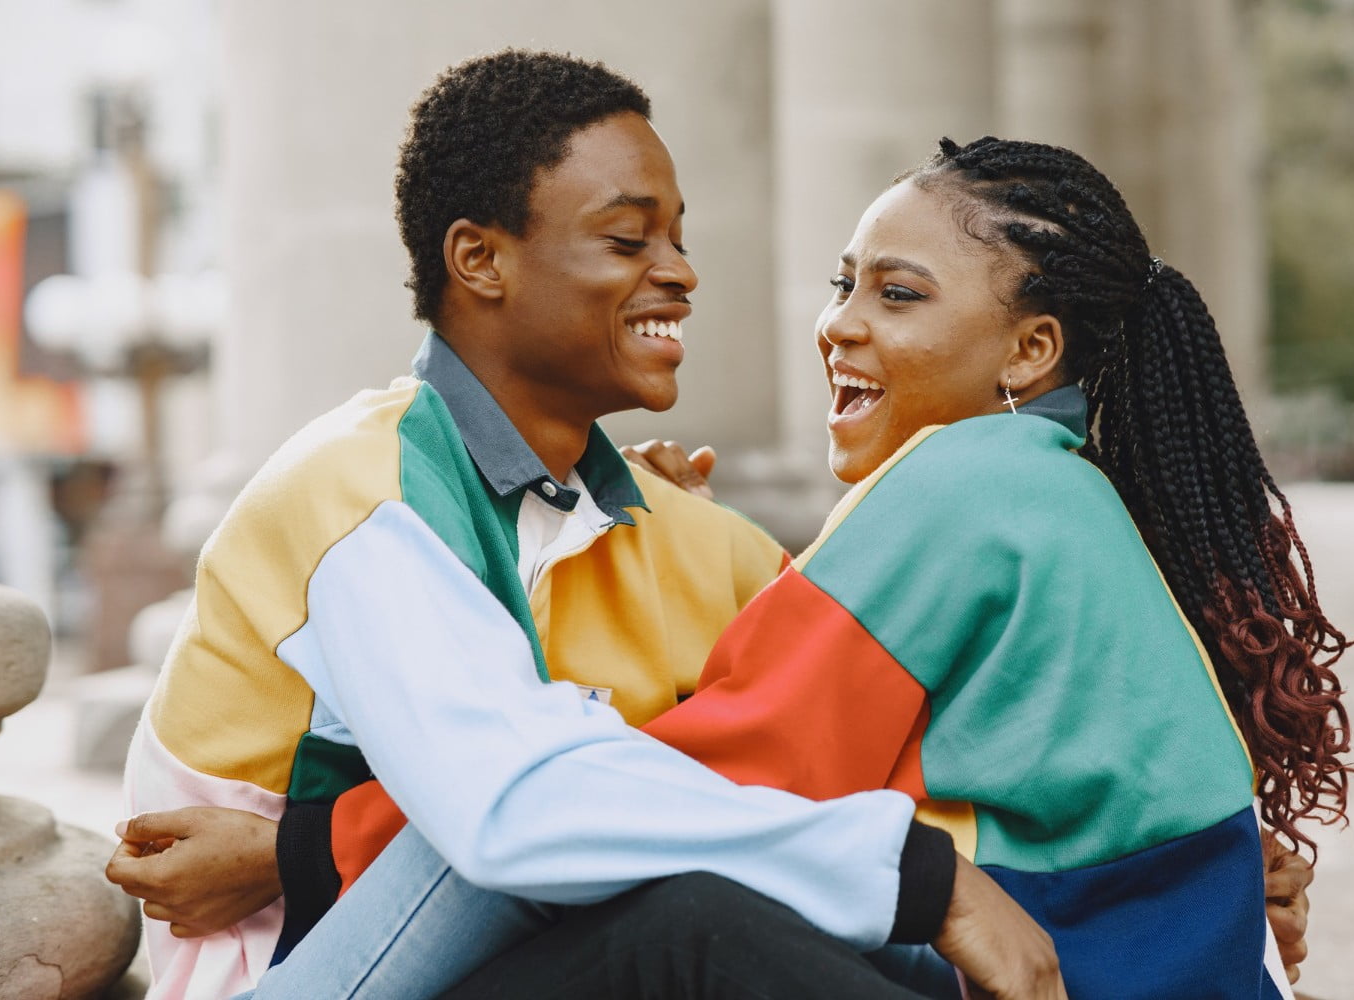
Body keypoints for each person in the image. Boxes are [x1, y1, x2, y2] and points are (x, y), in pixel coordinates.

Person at [111, 50, 1062, 1000]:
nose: (681, 273)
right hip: (309, 975)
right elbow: (510, 812)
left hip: (510, 953)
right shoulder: (355, 488)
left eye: (678, 239)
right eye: (627, 241)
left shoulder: (675, 531)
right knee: (644, 883)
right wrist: (922, 884)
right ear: (479, 259)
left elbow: (803, 745)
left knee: (690, 873)